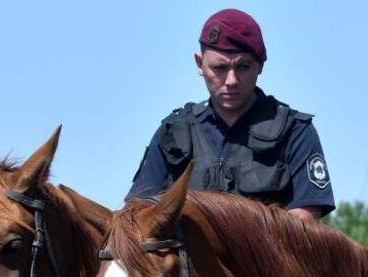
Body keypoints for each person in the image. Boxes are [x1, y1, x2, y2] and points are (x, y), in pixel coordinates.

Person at [126, 8, 335, 222]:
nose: (231, 80)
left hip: (264, 255)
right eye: (220, 67)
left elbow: (305, 219)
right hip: (185, 256)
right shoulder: (172, 134)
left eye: (243, 67)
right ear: (200, 64)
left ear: (261, 64)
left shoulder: (295, 131)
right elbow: (137, 216)